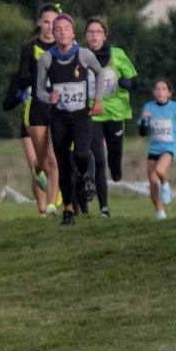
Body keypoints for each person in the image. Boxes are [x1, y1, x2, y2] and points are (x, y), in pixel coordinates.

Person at [43, 14, 105, 226]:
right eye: (57, 29)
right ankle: (68, 210)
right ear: (53, 33)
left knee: (80, 153)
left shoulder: (84, 55)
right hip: (59, 117)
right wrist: (48, 96)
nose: (61, 32)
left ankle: (85, 175)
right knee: (62, 165)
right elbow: (40, 89)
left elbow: (100, 74)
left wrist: (98, 100)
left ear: (73, 32)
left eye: (66, 28)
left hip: (81, 115)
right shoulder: (47, 58)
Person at [4, 5, 62, 214]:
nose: (49, 27)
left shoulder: (63, 47)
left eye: (54, 23)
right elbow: (21, 77)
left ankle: (51, 205)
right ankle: (39, 177)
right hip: (35, 109)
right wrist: (40, 75)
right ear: (39, 23)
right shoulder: (29, 48)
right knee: (42, 162)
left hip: (58, 109)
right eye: (46, 22)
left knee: (55, 160)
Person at [85, 15, 137, 218]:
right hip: (92, 113)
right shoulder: (80, 55)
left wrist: (127, 83)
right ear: (85, 36)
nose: (94, 36)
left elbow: (135, 81)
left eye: (98, 32)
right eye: (90, 32)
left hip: (115, 112)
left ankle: (116, 168)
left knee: (114, 158)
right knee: (98, 159)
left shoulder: (117, 54)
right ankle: (104, 207)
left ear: (105, 35)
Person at [139, 79, 176, 220]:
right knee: (153, 184)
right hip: (153, 149)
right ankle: (160, 212)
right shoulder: (148, 108)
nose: (160, 92)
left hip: (169, 148)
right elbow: (142, 133)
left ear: (169, 93)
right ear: (154, 92)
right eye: (157, 89)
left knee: (160, 171)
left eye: (163, 89)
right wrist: (144, 120)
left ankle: (166, 185)